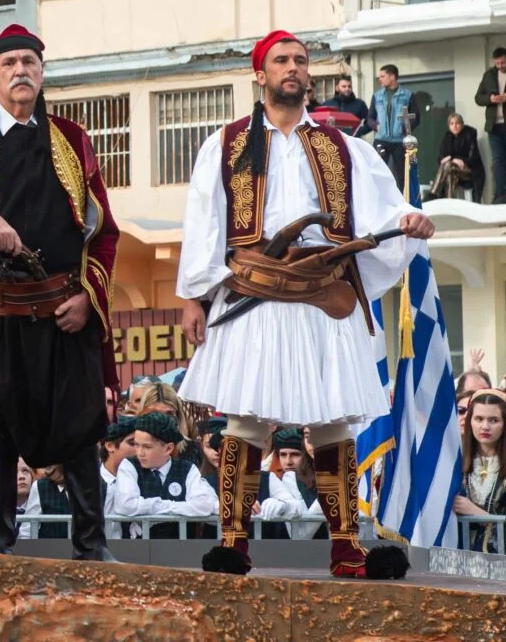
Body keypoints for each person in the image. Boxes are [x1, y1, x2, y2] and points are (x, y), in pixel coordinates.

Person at [178, 30, 432, 578]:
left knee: (335, 421)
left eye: (300, 59)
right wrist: (195, 297)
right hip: (253, 289)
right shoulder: (225, 144)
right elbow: (204, 221)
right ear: (260, 74)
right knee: (245, 420)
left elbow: (381, 211)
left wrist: (408, 221)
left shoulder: (344, 147)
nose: (293, 67)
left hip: (324, 292)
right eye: (281, 60)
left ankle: (346, 548)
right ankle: (233, 545)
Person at [0, 24, 121, 561]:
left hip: (64, 310)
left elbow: (104, 233)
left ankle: (91, 544)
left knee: (81, 426)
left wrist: (88, 298)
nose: (20, 71)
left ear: (42, 72)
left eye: (29, 62)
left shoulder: (73, 138)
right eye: (9, 63)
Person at [113, 412, 218, 540]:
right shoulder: (129, 465)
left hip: (181, 548)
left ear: (168, 449)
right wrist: (179, 507)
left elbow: (204, 504)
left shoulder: (187, 469)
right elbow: (126, 505)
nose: (139, 453)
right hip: (137, 549)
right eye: (136, 444)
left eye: (147, 447)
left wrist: (151, 509)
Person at [452, 390, 506, 552]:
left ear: (505, 424)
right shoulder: (454, 465)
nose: (485, 426)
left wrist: (474, 511)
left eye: (493, 420)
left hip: (500, 557)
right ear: (470, 422)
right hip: (458, 555)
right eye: (479, 419)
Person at [473, 48, 506, 203]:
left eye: (503, 62)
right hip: (494, 126)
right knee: (497, 162)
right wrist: (490, 99)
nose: (500, 66)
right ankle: (500, 195)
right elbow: (478, 98)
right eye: (497, 64)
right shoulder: (489, 75)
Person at [256, 427, 322, 541]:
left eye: (295, 454)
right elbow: (300, 532)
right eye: (283, 455)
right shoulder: (290, 478)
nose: (288, 462)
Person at [369, 63, 417, 190]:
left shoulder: (407, 95)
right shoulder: (377, 96)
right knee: (378, 173)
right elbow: (369, 118)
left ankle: (402, 199)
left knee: (402, 175)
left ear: (392, 76)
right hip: (381, 140)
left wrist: (403, 129)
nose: (380, 79)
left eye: (382, 76)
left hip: (400, 141)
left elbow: (416, 117)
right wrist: (376, 126)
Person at [99, 416, 139, 540]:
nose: (140, 450)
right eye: (133, 443)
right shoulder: (89, 482)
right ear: (110, 446)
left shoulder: (146, 478)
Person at [431, 113, 484, 201]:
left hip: (471, 171)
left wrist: (455, 160)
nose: (454, 126)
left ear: (462, 125)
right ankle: (449, 201)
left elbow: (472, 159)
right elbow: (441, 159)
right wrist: (453, 160)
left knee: (448, 165)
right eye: (452, 124)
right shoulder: (447, 137)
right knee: (449, 172)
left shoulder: (470, 134)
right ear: (449, 126)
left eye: (457, 123)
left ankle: (433, 193)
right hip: (453, 170)